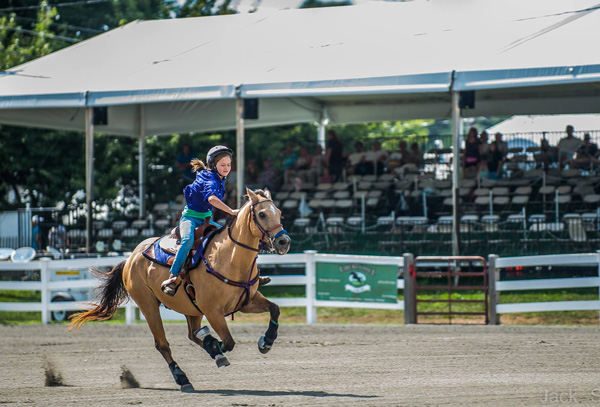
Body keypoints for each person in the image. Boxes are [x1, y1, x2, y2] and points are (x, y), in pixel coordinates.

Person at [161, 145, 239, 296]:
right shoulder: (208, 178)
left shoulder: (219, 178)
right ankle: (173, 276)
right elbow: (211, 199)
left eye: (228, 164)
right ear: (213, 165)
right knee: (188, 240)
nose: (226, 167)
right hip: (190, 218)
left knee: (228, 238)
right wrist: (230, 211)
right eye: (223, 164)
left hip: (205, 220)